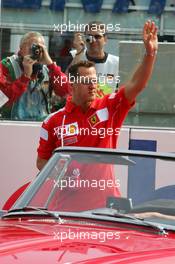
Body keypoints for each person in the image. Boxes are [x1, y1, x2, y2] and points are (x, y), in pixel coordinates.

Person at [36, 20, 158, 211]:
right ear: (73, 85)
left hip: (106, 210)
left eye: (94, 80)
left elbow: (137, 85)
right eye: (87, 81)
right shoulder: (52, 122)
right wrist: (61, 172)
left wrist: (150, 54)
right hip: (65, 211)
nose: (93, 85)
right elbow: (41, 161)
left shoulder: (109, 107)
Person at [0, 32, 71, 120]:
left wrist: (51, 65)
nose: (34, 51)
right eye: (31, 46)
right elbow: (1, 100)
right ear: (21, 49)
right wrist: (25, 77)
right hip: (13, 124)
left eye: (38, 48)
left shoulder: (49, 69)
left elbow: (66, 92)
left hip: (42, 124)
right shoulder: (7, 66)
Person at [68, 21, 119, 97]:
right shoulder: (74, 55)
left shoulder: (116, 62)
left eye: (97, 37)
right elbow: (65, 83)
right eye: (89, 37)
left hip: (105, 107)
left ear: (105, 39)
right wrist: (79, 53)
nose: (93, 40)